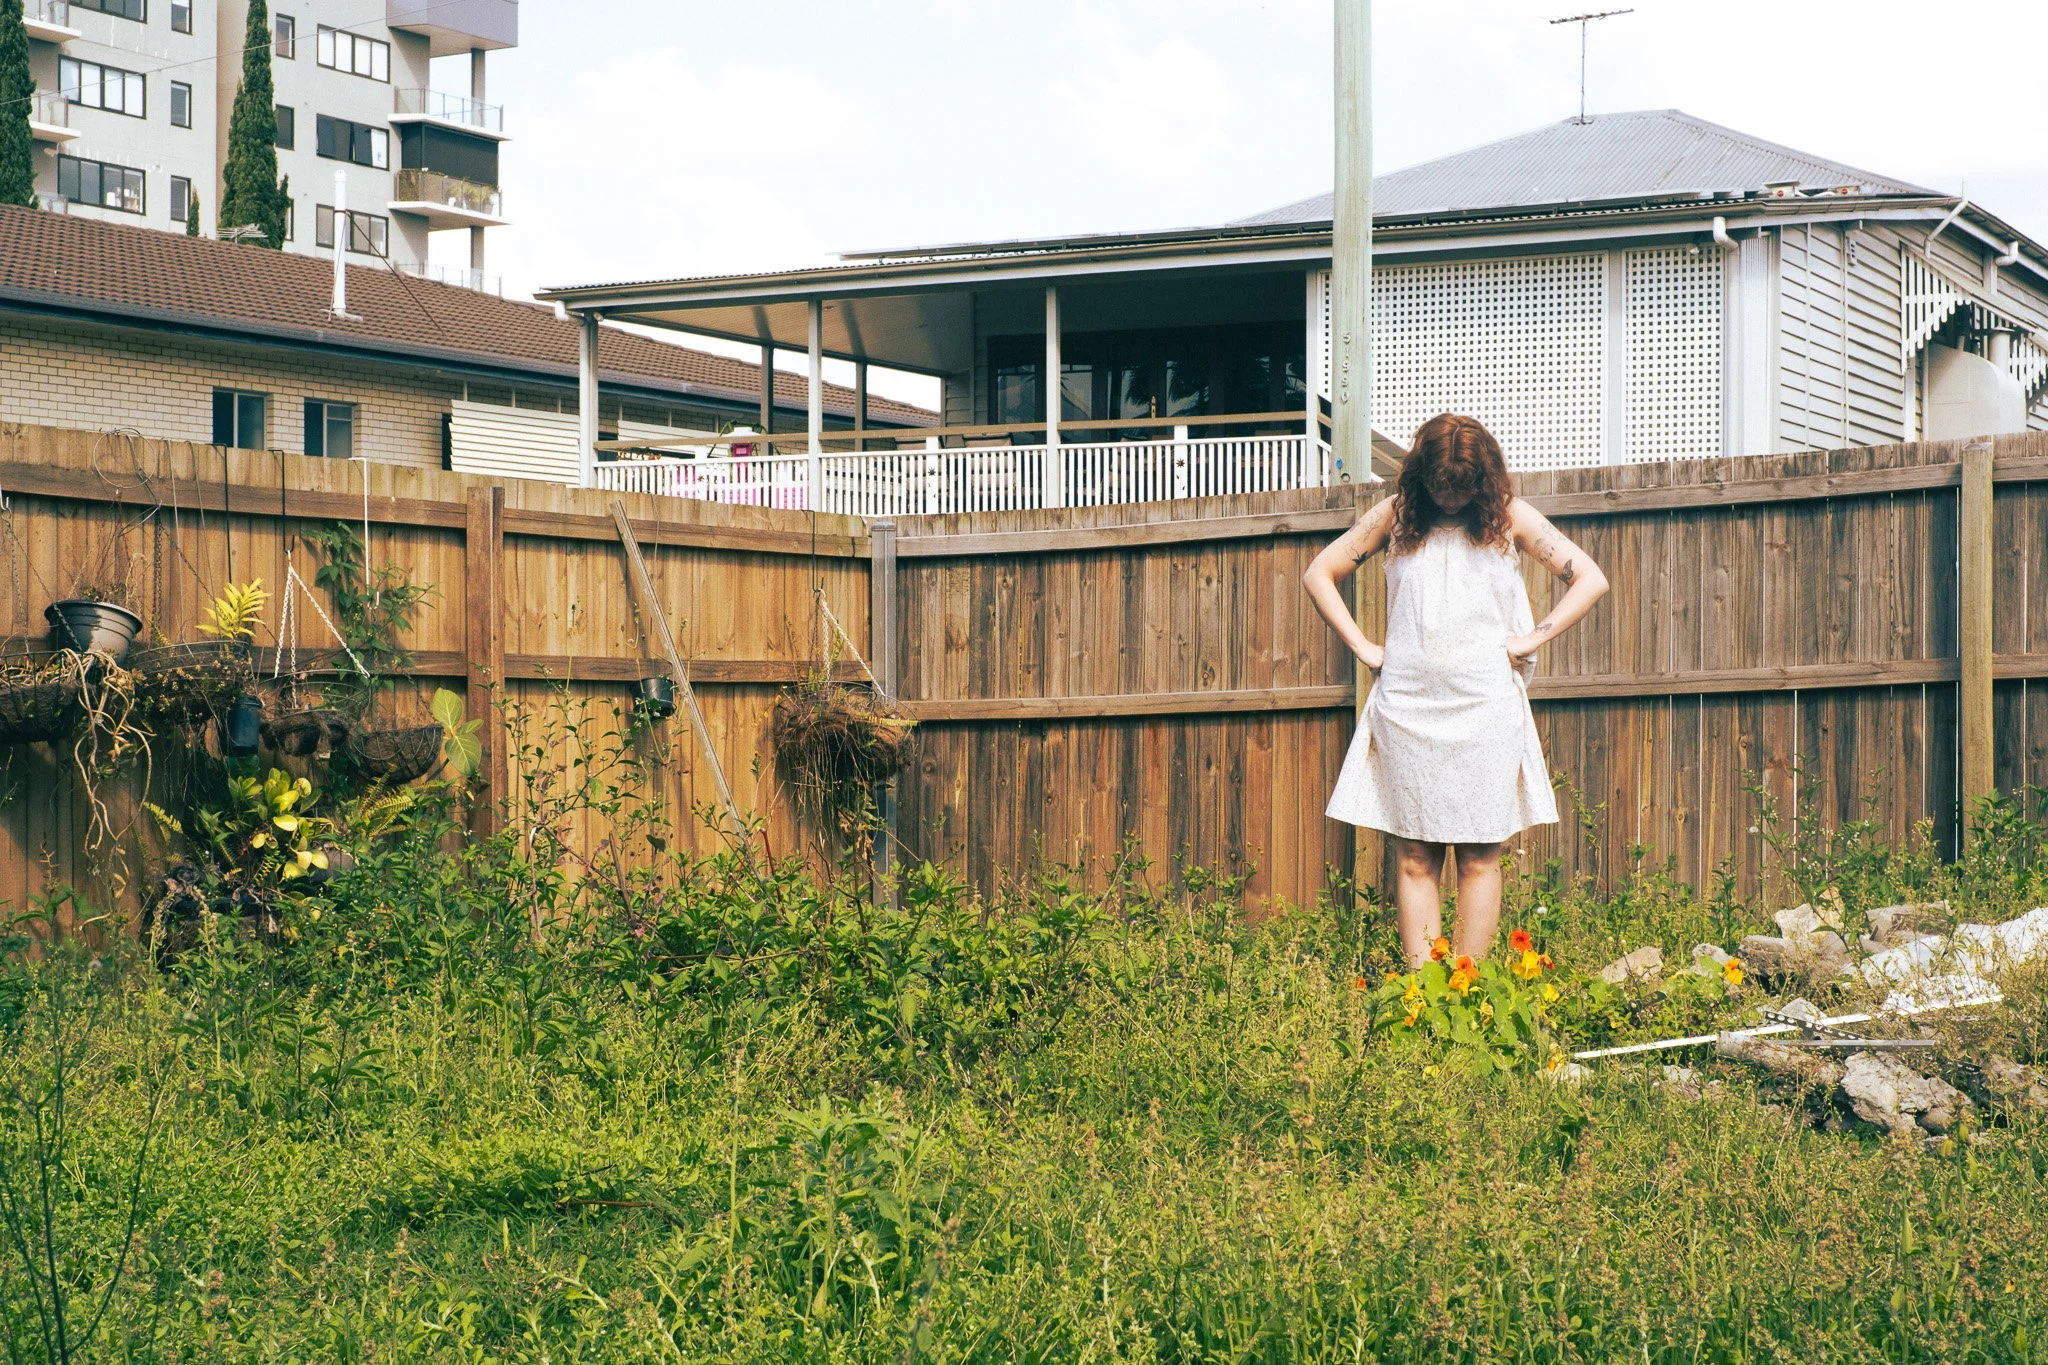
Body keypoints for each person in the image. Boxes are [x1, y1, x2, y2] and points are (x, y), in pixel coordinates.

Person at [1302, 413, 1609, 969]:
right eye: (1439, 485)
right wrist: (1364, 647)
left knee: (1479, 853)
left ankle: (1468, 989)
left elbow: (1591, 578)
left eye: (1462, 487)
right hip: (1409, 710)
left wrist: (1531, 638)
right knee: (1416, 856)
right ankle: (1423, 992)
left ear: (1483, 479)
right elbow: (1319, 572)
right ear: (1420, 476)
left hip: (1486, 710)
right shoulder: (1395, 517)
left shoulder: (1509, 519)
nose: (1449, 498)